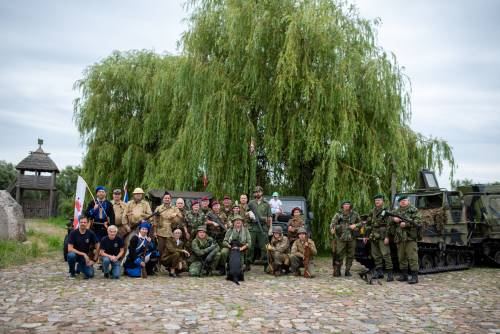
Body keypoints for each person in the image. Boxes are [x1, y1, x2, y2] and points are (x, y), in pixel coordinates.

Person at [363, 194, 394, 282]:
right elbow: (368, 224)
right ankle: (379, 272)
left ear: (382, 201)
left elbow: (389, 225)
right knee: (376, 255)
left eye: (379, 200)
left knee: (386, 254)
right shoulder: (372, 211)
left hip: (383, 236)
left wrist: (387, 237)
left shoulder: (386, 211)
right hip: (374, 236)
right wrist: (366, 235)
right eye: (376, 200)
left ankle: (390, 274)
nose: (377, 202)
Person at [392, 195, 422, 284]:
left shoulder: (413, 210)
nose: (403, 202)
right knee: (401, 257)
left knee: (412, 257)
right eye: (401, 201)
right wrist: (394, 219)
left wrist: (406, 224)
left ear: (408, 201)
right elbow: (389, 219)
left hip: (410, 237)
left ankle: (414, 277)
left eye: (404, 200)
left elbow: (418, 221)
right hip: (400, 237)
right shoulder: (396, 211)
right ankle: (404, 275)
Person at [330, 201, 362, 277]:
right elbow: (332, 223)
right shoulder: (338, 214)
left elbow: (361, 223)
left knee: (351, 255)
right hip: (341, 237)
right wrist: (332, 228)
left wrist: (355, 225)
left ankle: (347, 270)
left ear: (350, 205)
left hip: (352, 237)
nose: (347, 206)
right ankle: (338, 270)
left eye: (348, 204)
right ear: (342, 206)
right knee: (339, 254)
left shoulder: (355, 214)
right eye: (345, 204)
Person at [248, 186, 272, 265]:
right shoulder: (251, 203)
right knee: (250, 247)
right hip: (252, 228)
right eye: (255, 192)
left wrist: (270, 228)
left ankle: (266, 265)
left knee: (264, 247)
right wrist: (249, 214)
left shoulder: (266, 204)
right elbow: (246, 213)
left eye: (259, 192)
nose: (257, 193)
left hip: (263, 227)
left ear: (262, 192)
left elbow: (269, 217)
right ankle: (247, 264)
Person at [153, 192, 178, 263]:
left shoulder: (174, 208)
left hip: (171, 232)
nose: (167, 199)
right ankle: (158, 265)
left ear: (171, 199)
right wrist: (155, 231)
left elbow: (179, 219)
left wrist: (175, 215)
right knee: (160, 249)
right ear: (163, 199)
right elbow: (154, 220)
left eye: (168, 198)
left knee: (170, 250)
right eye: (165, 198)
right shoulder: (158, 208)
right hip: (160, 232)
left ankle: (168, 267)